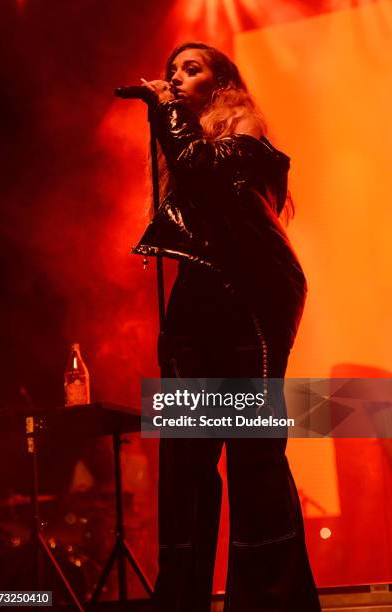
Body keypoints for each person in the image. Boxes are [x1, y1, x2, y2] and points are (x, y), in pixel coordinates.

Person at [133, 42, 322, 612]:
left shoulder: (244, 139)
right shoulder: (184, 141)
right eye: (171, 71)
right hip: (200, 300)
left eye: (191, 69)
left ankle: (270, 600)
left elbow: (202, 167)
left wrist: (162, 106)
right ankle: (180, 598)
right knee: (185, 456)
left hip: (251, 299)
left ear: (222, 84)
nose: (174, 78)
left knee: (252, 452)